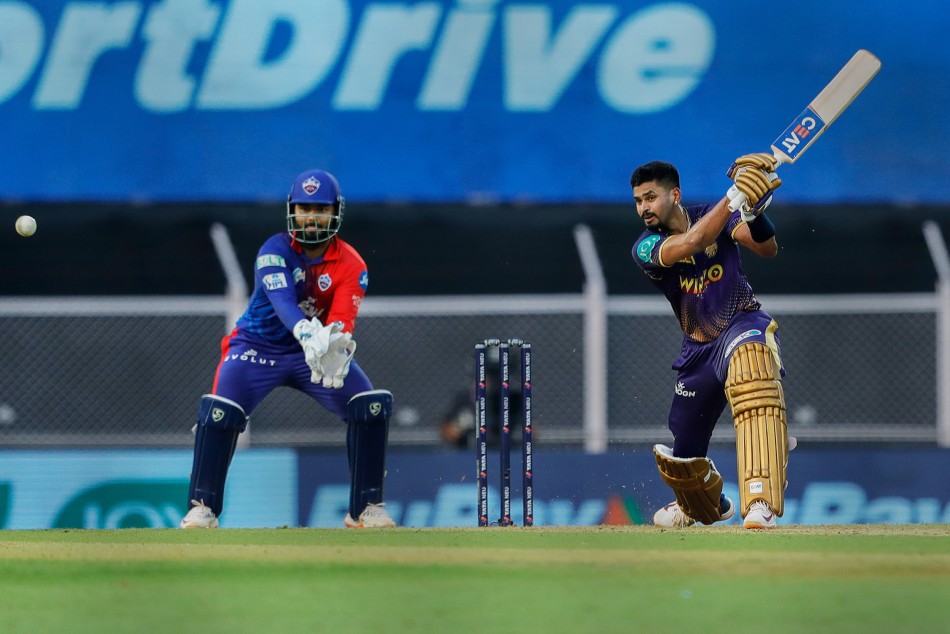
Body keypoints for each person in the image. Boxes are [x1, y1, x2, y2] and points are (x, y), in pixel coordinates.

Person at [180, 169, 396, 529]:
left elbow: (342, 321)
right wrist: (307, 334)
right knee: (220, 411)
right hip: (256, 348)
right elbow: (282, 302)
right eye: (304, 208)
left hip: (313, 355)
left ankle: (366, 508)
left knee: (369, 406)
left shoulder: (352, 265)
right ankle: (203, 507)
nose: (311, 217)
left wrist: (334, 347)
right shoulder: (273, 250)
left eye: (321, 209)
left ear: (336, 212)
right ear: (292, 210)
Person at [629, 155, 789, 530]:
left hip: (741, 321)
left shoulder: (712, 214)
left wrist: (755, 213)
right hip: (698, 348)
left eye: (650, 198)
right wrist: (734, 196)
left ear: (674, 195)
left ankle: (760, 501)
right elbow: (694, 240)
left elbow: (767, 249)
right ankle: (702, 504)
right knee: (683, 459)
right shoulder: (645, 246)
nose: (643, 208)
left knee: (753, 376)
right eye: (638, 201)